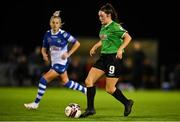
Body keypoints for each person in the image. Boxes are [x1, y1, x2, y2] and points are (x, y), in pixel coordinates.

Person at [24, 10, 87, 110]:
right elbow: (44, 48)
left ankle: (35, 103)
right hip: (54, 63)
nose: (55, 24)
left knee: (43, 80)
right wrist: (44, 54)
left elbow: (77, 43)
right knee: (66, 82)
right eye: (53, 22)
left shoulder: (64, 34)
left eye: (57, 23)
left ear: (60, 24)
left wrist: (68, 53)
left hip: (61, 63)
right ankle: (85, 91)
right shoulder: (47, 34)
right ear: (50, 23)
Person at [80, 3, 134, 118]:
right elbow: (104, 39)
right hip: (103, 58)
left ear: (109, 15)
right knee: (88, 81)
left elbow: (128, 38)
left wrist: (120, 49)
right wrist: (95, 46)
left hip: (113, 59)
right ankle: (90, 109)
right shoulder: (103, 26)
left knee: (109, 89)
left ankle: (127, 102)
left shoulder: (115, 26)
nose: (100, 18)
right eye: (99, 16)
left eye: (102, 16)